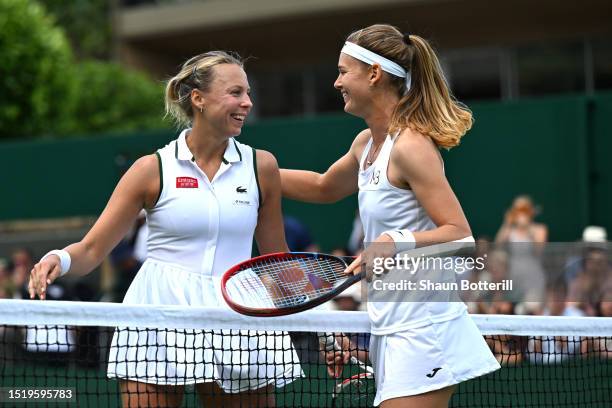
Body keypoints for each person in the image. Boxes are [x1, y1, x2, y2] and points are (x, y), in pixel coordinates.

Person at [29, 51, 301, 407]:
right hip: (159, 310)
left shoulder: (262, 166)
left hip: (239, 310)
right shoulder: (150, 169)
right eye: (235, 93)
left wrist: (327, 328)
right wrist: (59, 259)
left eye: (247, 93)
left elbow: (276, 262)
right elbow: (93, 249)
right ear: (198, 99)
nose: (247, 103)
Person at [280, 24, 499, 408]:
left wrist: (393, 242)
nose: (336, 83)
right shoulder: (366, 143)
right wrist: (249, 170)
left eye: (343, 71)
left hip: (424, 327)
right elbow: (322, 187)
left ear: (374, 75)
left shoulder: (411, 146)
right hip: (389, 324)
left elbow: (460, 235)